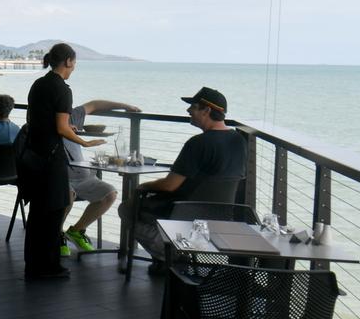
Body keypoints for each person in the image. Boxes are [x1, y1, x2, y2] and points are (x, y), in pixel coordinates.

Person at [121, 87, 246, 274]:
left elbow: (170, 185)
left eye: (193, 107)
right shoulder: (238, 140)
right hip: (222, 211)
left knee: (127, 209)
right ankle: (169, 257)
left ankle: (171, 256)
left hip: (184, 211)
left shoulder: (198, 143)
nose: (188, 111)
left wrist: (144, 185)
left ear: (207, 111)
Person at [19, 43, 105, 280]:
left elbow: (37, 119)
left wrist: (66, 127)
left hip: (35, 154)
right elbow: (60, 127)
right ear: (68, 61)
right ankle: (47, 266)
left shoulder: (39, 84)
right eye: (74, 62)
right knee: (54, 211)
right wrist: (85, 143)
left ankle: (33, 265)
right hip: (52, 158)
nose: (74, 66)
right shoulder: (62, 89)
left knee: (39, 213)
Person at [60, 99, 141, 253]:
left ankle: (76, 231)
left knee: (109, 194)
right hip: (60, 179)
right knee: (67, 195)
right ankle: (56, 236)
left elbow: (95, 105)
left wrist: (126, 105)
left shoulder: (73, 116)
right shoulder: (44, 122)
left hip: (84, 177)